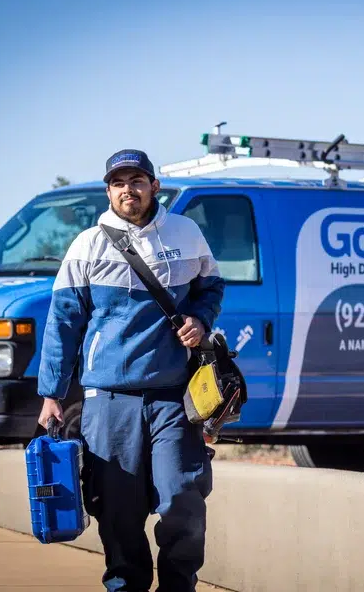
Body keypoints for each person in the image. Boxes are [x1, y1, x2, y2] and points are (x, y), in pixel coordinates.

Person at [36, 149, 225, 592]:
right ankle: (125, 585)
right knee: (117, 508)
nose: (128, 190)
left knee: (182, 497)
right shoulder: (87, 245)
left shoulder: (187, 232)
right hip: (108, 400)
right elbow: (63, 322)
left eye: (137, 180)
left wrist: (200, 318)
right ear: (109, 190)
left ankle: (180, 585)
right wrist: (52, 394)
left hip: (173, 397)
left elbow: (211, 287)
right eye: (119, 183)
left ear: (154, 186)